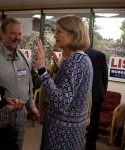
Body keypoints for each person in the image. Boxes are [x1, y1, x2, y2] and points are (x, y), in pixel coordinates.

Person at [36, 15, 93, 150]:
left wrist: (42, 69)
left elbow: (60, 102)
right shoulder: (83, 59)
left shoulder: (74, 63)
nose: (55, 36)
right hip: (72, 133)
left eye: (59, 32)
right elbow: (74, 91)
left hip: (61, 135)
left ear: (74, 34)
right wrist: (61, 68)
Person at [0, 17, 40, 150]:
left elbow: (29, 84)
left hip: (21, 116)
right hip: (1, 117)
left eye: (19, 34)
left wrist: (31, 106)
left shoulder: (23, 58)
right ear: (2, 34)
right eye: (13, 33)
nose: (17, 37)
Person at [0, 18, 24, 150]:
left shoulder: (23, 57)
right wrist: (8, 109)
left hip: (16, 122)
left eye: (19, 34)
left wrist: (2, 99)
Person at [85, 48, 108, 150]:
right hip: (96, 95)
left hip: (82, 94)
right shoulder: (100, 55)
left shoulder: (77, 53)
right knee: (94, 122)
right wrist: (103, 93)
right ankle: (90, 145)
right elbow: (104, 77)